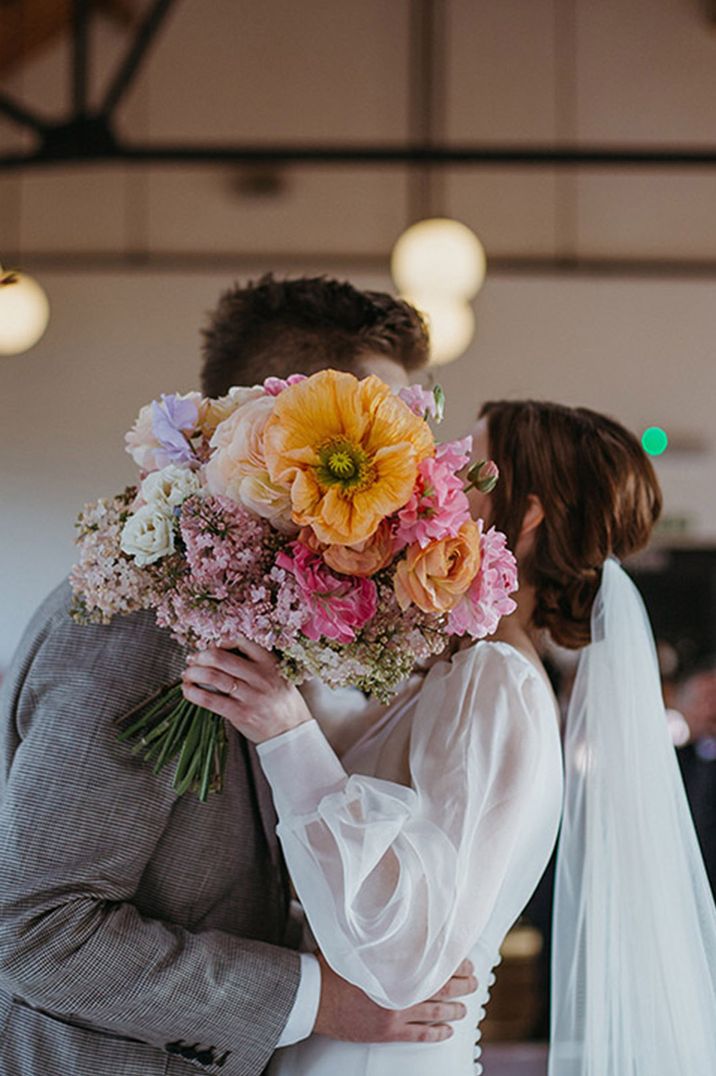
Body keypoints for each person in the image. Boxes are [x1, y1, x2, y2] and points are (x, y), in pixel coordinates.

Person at [0, 275, 478, 1076]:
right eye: (380, 449)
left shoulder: (253, 609)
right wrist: (318, 999)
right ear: (276, 432)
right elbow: (38, 929)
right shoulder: (144, 622)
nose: (401, 488)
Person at [183, 399, 716, 1074]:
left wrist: (287, 731)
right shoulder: (463, 666)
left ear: (526, 519)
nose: (439, 479)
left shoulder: (498, 681)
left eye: (469, 469)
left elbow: (403, 954)